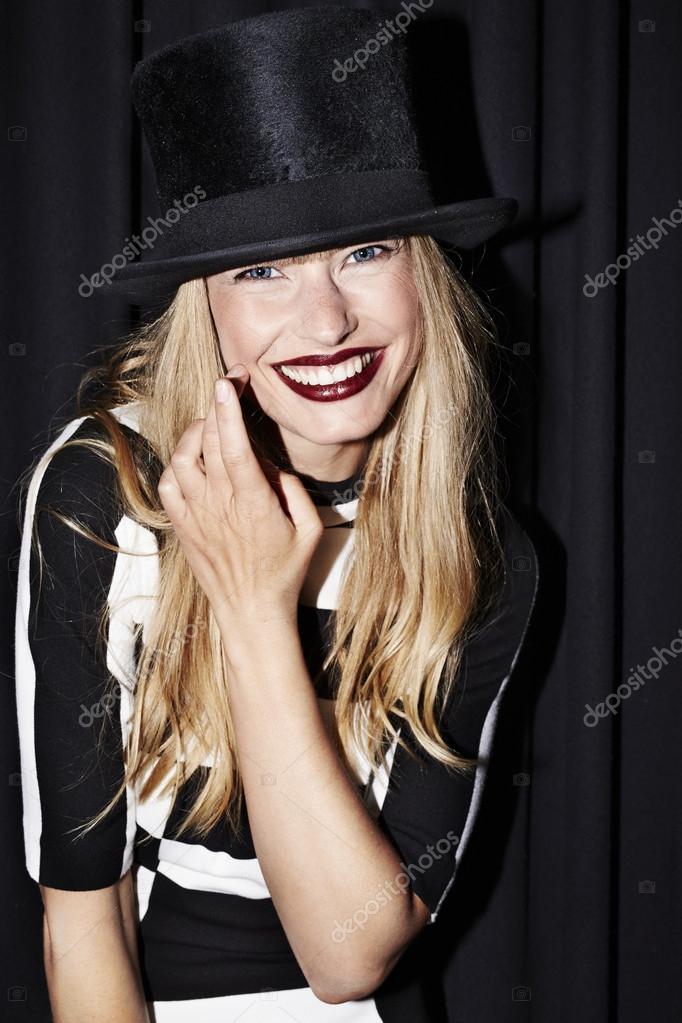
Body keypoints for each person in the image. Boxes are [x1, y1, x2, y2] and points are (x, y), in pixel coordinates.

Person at [14, 8, 539, 1022]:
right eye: (263, 271)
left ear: (423, 273)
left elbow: (349, 960)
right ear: (202, 305)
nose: (328, 321)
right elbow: (83, 920)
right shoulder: (101, 491)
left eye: (366, 252)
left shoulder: (482, 556)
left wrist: (255, 610)